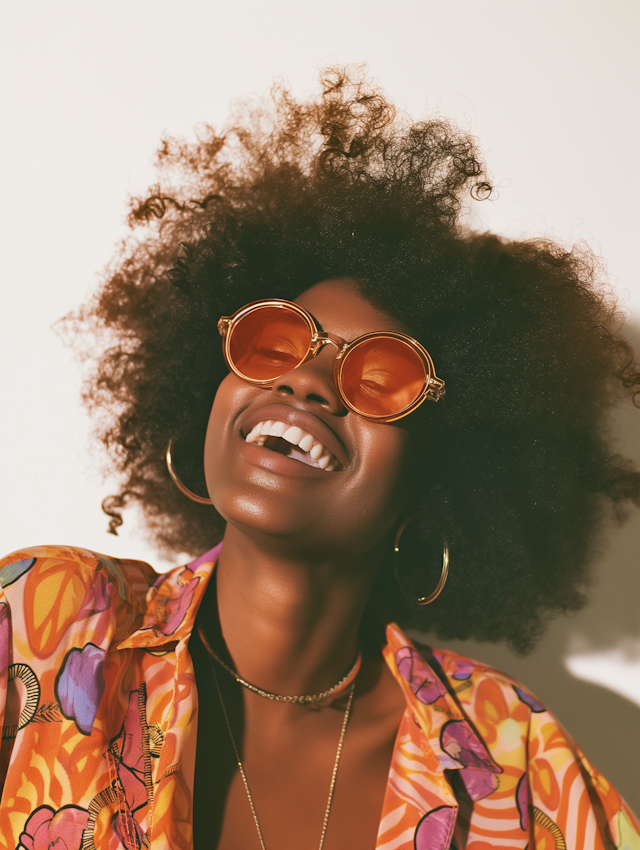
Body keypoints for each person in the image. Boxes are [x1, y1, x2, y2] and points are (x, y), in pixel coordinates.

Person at [0, 67, 638, 850]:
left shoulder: (522, 766)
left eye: (381, 378)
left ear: (443, 476)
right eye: (275, 342)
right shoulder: (42, 625)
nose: (306, 382)